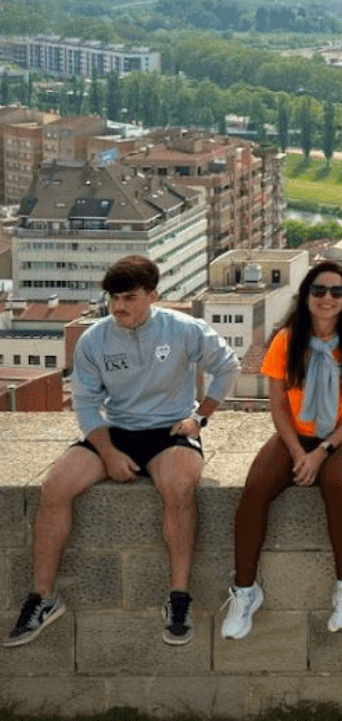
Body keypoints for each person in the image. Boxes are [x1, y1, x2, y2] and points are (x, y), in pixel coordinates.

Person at [5, 255, 237, 648]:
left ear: (153, 295)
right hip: (115, 430)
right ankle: (43, 598)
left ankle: (178, 597)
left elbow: (227, 366)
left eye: (129, 298)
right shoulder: (95, 339)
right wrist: (108, 453)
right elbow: (84, 404)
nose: (119, 307)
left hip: (170, 429)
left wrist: (200, 417)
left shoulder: (183, 329)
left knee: (179, 488)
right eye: (113, 298)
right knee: (54, 487)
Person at [221, 262, 342, 642]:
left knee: (337, 483)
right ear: (306, 296)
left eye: (337, 292)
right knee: (256, 487)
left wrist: (322, 451)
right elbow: (277, 406)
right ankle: (244, 590)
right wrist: (297, 451)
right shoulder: (286, 340)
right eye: (319, 291)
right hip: (296, 435)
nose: (327, 299)